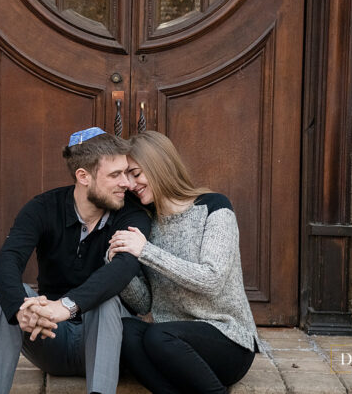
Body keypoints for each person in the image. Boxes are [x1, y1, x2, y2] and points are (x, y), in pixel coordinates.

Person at [0, 127, 152, 394]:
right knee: (11, 295)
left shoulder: (131, 214)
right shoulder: (43, 208)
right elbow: (7, 262)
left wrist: (67, 305)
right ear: (84, 176)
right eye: (115, 175)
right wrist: (23, 310)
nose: (126, 183)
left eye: (126, 172)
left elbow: (123, 269)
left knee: (107, 299)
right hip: (51, 336)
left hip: (110, 342)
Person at [107, 131, 259, 393]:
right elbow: (144, 304)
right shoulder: (147, 224)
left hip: (228, 341)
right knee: (124, 331)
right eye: (126, 177)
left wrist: (146, 251)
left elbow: (211, 280)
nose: (130, 184)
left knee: (158, 335)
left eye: (136, 173)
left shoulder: (214, 207)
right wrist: (118, 265)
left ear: (158, 166)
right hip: (171, 344)